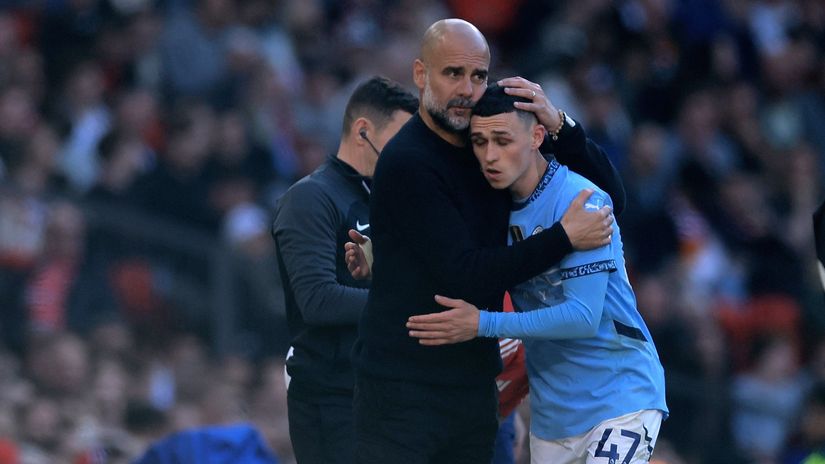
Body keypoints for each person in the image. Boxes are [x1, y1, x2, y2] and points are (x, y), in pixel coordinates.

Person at [350, 18, 625, 463]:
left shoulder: (490, 143)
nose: (467, 88)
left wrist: (558, 124)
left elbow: (611, 199)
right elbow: (465, 274)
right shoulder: (408, 162)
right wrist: (562, 237)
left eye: (478, 75)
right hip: (402, 394)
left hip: (473, 391)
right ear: (421, 75)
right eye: (452, 73)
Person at [406, 83, 668, 463]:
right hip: (554, 418)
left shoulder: (582, 200)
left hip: (620, 396)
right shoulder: (490, 207)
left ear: (536, 136)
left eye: (503, 140)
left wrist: (481, 323)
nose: (490, 156)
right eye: (480, 142)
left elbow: (582, 317)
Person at [270, 76, 418, 464]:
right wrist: (406, 306)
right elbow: (317, 301)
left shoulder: (383, 199)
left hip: (382, 392)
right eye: (402, 137)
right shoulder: (310, 198)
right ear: (363, 130)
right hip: (331, 400)